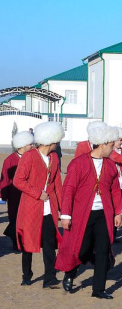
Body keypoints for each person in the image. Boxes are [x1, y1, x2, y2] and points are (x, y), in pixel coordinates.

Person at [56, 125, 122, 299]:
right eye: (111, 145)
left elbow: (115, 190)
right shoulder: (78, 163)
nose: (113, 148)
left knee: (102, 250)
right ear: (103, 144)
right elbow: (69, 189)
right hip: (82, 214)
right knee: (81, 248)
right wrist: (65, 214)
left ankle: (98, 289)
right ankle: (70, 273)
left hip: (104, 214)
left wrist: (118, 212)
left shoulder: (110, 165)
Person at [14, 121, 64, 288]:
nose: (58, 143)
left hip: (49, 208)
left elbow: (57, 183)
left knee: (50, 243)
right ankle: (26, 275)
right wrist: (37, 193)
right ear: (51, 140)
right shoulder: (29, 156)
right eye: (57, 140)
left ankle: (49, 278)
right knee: (27, 242)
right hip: (30, 207)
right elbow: (18, 181)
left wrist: (63, 207)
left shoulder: (54, 158)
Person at [1, 131, 35, 250]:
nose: (32, 146)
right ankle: (16, 241)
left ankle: (23, 240)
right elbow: (4, 178)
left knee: (27, 219)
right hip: (14, 194)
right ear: (23, 145)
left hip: (28, 194)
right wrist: (3, 196)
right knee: (14, 217)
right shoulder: (10, 160)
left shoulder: (32, 157)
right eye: (30, 144)